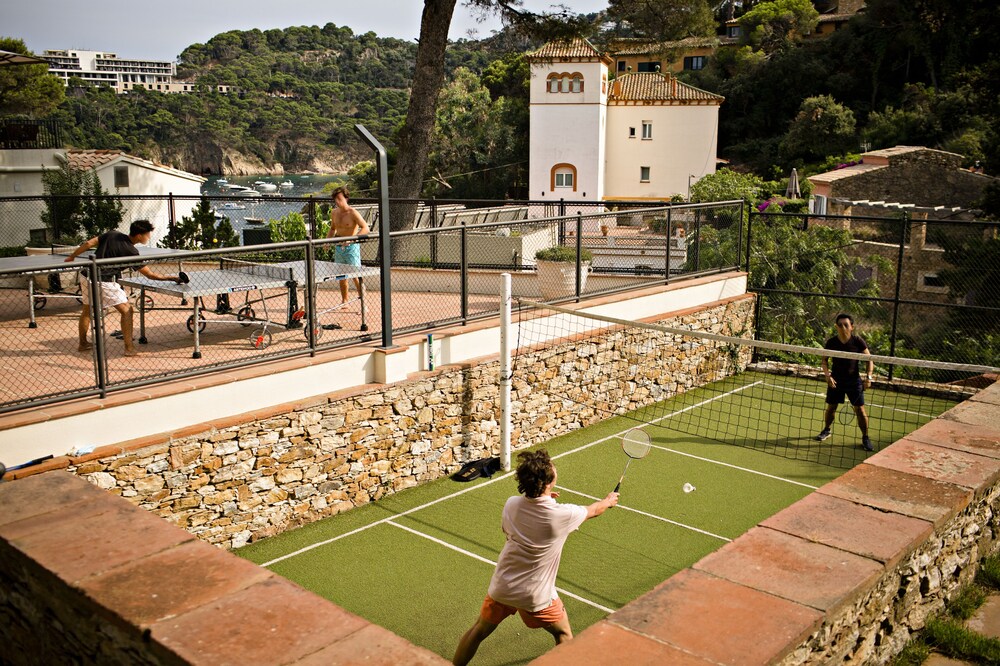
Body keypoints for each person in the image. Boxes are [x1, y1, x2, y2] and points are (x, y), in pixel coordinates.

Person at [453, 449, 619, 665]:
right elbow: (595, 510)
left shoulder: (511, 504)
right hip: (536, 595)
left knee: (478, 631)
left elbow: (512, 529)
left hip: (503, 587)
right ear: (548, 482)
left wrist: (545, 497)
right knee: (564, 635)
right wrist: (608, 500)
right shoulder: (563, 515)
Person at [64, 220, 181, 356]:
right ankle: (129, 348)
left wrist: (72, 256)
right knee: (127, 310)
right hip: (102, 280)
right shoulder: (131, 251)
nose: (149, 237)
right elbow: (150, 275)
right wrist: (172, 278)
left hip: (86, 275)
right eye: (147, 234)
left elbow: (88, 244)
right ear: (139, 235)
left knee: (87, 310)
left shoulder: (112, 234)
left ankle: (83, 343)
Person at [815, 313, 875, 451]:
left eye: (846, 325)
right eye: (840, 325)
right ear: (836, 327)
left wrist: (869, 377)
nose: (843, 327)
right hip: (836, 380)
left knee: (860, 409)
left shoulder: (858, 341)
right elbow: (824, 361)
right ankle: (826, 430)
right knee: (831, 407)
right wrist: (827, 376)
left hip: (854, 381)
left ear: (851, 327)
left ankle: (865, 438)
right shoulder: (832, 342)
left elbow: (869, 360)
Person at [325, 186, 370, 307]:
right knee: (341, 276)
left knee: (356, 275)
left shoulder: (353, 213)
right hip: (339, 247)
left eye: (339, 199)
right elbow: (332, 229)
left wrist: (352, 239)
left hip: (352, 248)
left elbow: (365, 228)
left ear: (346, 198)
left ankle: (363, 304)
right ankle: (344, 301)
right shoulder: (334, 213)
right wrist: (327, 241)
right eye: (335, 199)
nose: (337, 202)